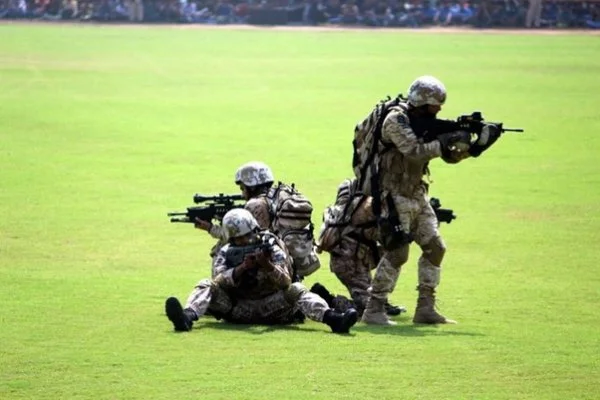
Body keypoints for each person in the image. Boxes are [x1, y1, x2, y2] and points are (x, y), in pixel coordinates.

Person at [359, 75, 500, 325]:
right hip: (392, 195)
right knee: (397, 251)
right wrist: (445, 140)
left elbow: (448, 157)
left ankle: (425, 308)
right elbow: (414, 152)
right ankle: (374, 309)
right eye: (435, 105)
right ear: (422, 102)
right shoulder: (395, 121)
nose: (439, 110)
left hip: (416, 194)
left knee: (436, 248)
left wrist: (476, 147)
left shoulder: (425, 122)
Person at [164, 209, 358, 333]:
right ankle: (186, 317)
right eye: (238, 239)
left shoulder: (271, 246)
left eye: (247, 236)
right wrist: (241, 269)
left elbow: (286, 282)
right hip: (238, 309)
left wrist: (267, 266)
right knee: (206, 284)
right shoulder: (225, 252)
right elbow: (218, 280)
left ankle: (334, 319)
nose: (244, 241)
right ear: (231, 240)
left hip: (273, 307)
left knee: (297, 289)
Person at [312, 178, 405, 317]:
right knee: (366, 309)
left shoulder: (348, 204)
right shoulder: (367, 209)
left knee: (397, 251)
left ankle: (381, 301)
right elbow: (385, 235)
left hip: (355, 258)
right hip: (350, 263)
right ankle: (327, 299)